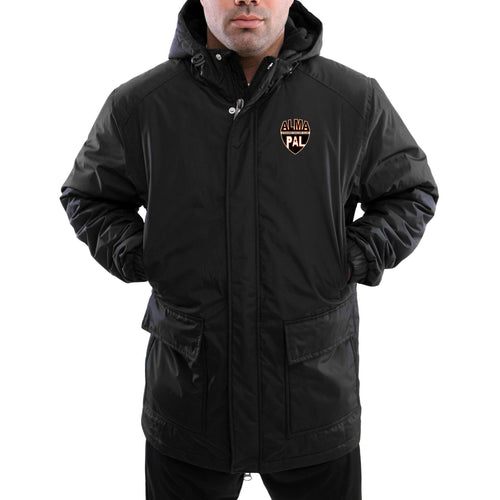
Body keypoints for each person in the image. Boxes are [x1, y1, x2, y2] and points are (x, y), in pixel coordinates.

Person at [59, 0, 439, 498]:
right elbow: (88, 195)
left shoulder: (350, 100)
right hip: (191, 398)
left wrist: (355, 256)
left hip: (312, 399)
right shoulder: (142, 105)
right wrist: (141, 254)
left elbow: (411, 191)